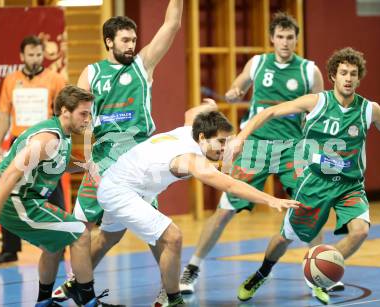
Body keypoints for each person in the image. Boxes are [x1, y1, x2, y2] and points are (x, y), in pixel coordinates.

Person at [236, 47, 380, 305]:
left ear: (359, 79)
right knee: (285, 237)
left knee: (360, 232)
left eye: (353, 74)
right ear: (333, 75)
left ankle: (320, 273)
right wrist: (241, 137)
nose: (348, 78)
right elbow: (268, 112)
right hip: (315, 183)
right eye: (343, 72)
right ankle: (261, 273)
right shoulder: (317, 102)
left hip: (350, 185)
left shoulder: (370, 109)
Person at [94, 101, 299, 306]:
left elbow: (191, 111)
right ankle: (173, 299)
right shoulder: (192, 159)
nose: (224, 148)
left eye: (227, 142)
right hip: (122, 190)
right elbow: (230, 186)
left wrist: (210, 106)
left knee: (108, 238)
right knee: (172, 237)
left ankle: (77, 284)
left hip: (124, 181)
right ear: (202, 137)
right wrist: (270, 199)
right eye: (220, 142)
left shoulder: (190, 128)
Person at [179, 11, 326, 295]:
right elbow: (240, 84)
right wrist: (235, 92)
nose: (285, 42)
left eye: (290, 37)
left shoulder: (309, 70)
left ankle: (316, 269)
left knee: (310, 205)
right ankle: (193, 267)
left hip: (292, 148)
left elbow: (316, 111)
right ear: (272, 39)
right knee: (224, 210)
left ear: (296, 40)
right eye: (280, 37)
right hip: (255, 144)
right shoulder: (258, 63)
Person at [52, 0, 184, 304]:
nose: (131, 45)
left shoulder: (143, 65)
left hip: (139, 159)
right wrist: (86, 160)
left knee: (155, 230)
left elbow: (172, 25)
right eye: (125, 40)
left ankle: (169, 290)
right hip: (102, 157)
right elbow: (82, 121)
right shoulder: (92, 73)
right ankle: (78, 283)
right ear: (109, 42)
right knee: (84, 228)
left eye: (133, 40)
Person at [0, 86, 119, 307]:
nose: (88, 119)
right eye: (83, 113)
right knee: (80, 233)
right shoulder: (46, 141)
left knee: (55, 243)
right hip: (15, 201)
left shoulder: (63, 136)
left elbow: (60, 163)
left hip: (27, 200)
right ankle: (88, 301)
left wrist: (87, 165)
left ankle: (43, 302)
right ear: (64, 111)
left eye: (90, 113)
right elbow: (8, 177)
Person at [0, 35, 67, 264]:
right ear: (22, 56)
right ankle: (9, 249)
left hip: (45, 141)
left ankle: (60, 243)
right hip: (18, 141)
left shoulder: (55, 79)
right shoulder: (11, 80)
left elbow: (63, 113)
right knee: (9, 191)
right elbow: (4, 113)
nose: (35, 59)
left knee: (53, 192)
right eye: (30, 55)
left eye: (38, 55)